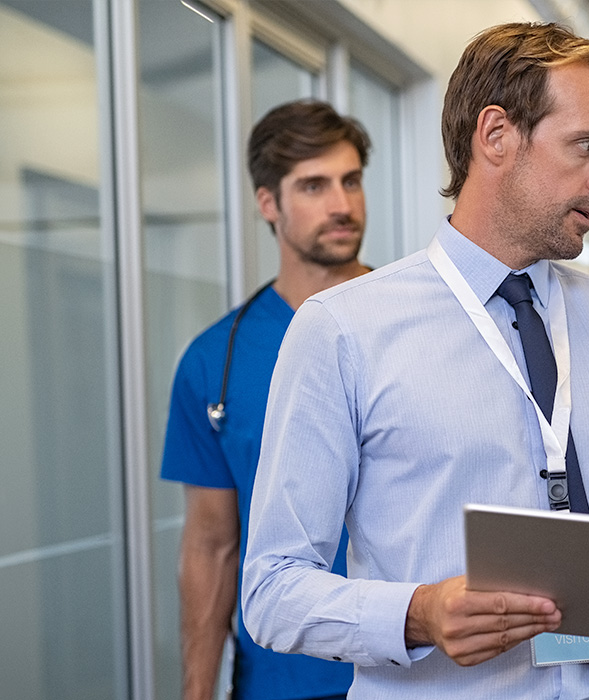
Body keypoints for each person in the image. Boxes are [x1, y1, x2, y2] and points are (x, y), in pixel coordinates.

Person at [241, 22, 589, 700]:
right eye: (587, 146)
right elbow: (272, 589)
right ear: (496, 135)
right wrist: (420, 613)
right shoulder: (343, 332)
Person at [161, 99, 372, 700]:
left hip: (422, 675)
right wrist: (198, 690)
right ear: (268, 204)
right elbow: (211, 544)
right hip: (282, 681)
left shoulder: (423, 325)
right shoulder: (214, 362)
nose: (341, 204)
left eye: (350, 181)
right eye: (313, 185)